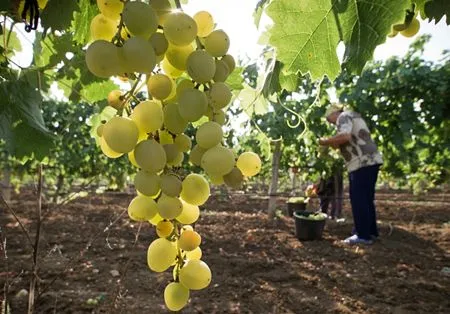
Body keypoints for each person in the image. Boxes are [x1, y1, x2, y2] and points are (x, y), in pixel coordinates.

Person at [319, 103, 383, 245]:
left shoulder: (343, 116)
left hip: (361, 162)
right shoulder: (353, 115)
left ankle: (362, 235)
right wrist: (334, 143)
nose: (331, 123)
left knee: (358, 198)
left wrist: (324, 142)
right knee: (366, 199)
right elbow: (349, 138)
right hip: (371, 160)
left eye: (329, 119)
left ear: (333, 113)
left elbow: (345, 137)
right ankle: (371, 232)